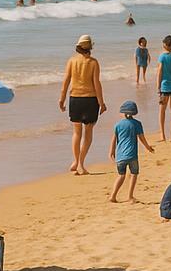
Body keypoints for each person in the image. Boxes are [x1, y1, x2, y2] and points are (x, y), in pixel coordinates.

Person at [58, 34, 106, 175]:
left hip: (75, 99)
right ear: (90, 47)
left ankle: (75, 161)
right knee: (88, 133)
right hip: (90, 100)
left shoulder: (72, 61)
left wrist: (61, 99)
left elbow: (66, 81)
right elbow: (97, 84)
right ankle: (81, 163)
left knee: (76, 132)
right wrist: (101, 103)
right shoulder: (93, 63)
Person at [109, 101, 155, 203]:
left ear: (123, 112)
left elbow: (114, 139)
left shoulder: (118, 125)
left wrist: (111, 152)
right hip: (132, 155)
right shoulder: (137, 124)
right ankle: (130, 196)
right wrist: (148, 147)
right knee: (134, 174)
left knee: (121, 175)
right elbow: (141, 138)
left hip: (120, 156)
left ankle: (113, 195)